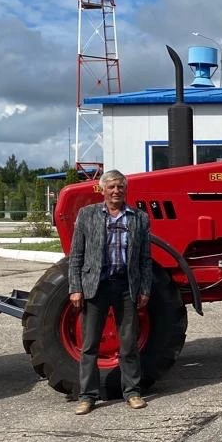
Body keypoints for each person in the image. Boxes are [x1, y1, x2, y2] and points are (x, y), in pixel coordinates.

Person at [67, 169, 152, 414]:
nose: (116, 191)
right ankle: (87, 396)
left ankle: (133, 392)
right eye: (111, 187)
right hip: (97, 286)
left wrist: (144, 288)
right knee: (90, 344)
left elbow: (145, 259)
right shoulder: (87, 215)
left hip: (126, 286)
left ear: (125, 190)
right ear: (102, 190)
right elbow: (76, 256)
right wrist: (75, 288)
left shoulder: (138, 218)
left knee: (128, 344)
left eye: (120, 187)